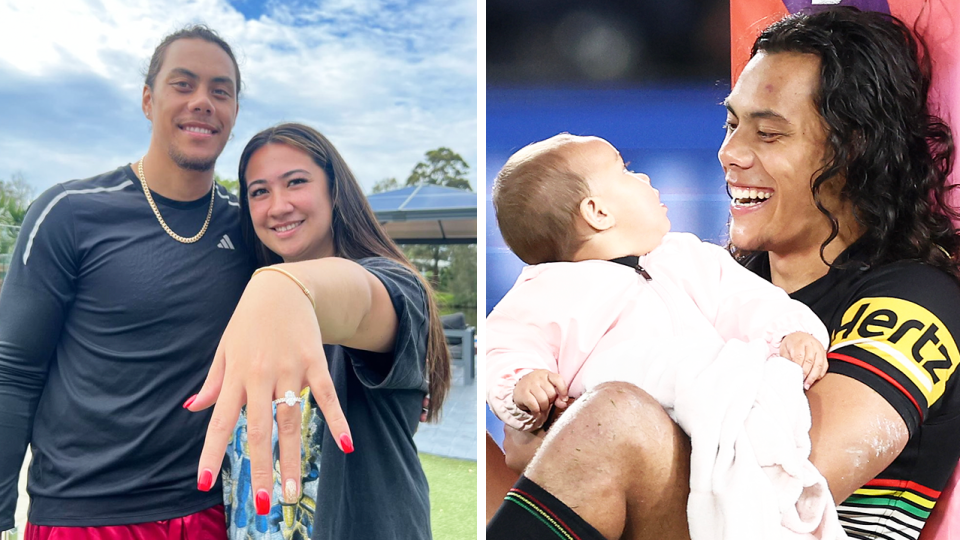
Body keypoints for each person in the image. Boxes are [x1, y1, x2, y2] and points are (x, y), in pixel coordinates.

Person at [486, 7, 960, 540]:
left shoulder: (917, 300)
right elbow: (526, 445)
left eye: (769, 134)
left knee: (618, 413)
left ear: (852, 149)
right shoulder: (702, 281)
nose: (730, 153)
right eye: (732, 124)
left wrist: (587, 429)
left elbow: (785, 479)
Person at [0, 25, 253, 537]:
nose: (202, 101)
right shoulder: (69, 212)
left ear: (234, 112)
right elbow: (14, 372)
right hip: (85, 515)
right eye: (183, 84)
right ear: (147, 99)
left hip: (208, 509)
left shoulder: (249, 226)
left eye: (220, 90)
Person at [486, 133, 829, 434]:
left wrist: (788, 333)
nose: (644, 176)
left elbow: (748, 301)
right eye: (625, 171)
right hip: (617, 436)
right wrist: (522, 384)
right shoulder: (544, 294)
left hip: (714, 422)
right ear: (598, 213)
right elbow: (508, 347)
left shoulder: (691, 258)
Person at [211, 123, 450, 540]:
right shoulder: (250, 309)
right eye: (259, 191)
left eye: (296, 182)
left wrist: (283, 284)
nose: (278, 205)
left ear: (334, 190)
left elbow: (360, 301)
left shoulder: (395, 286)